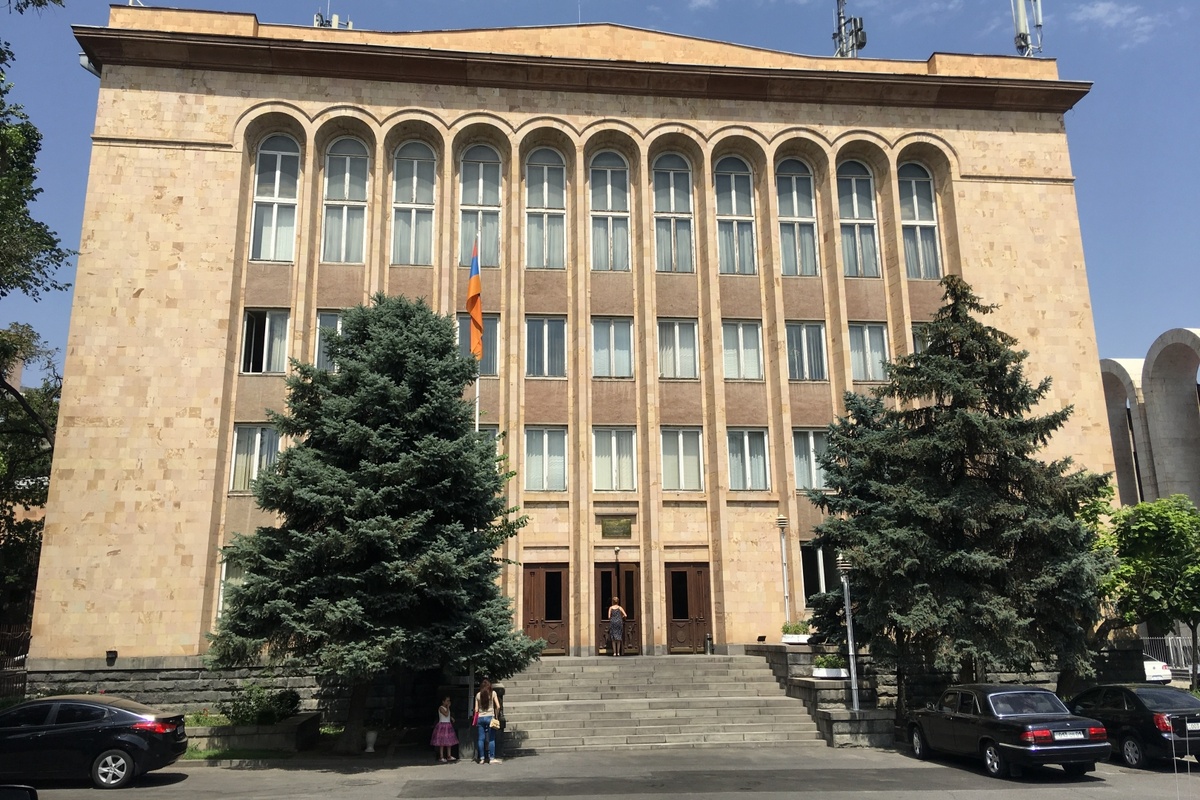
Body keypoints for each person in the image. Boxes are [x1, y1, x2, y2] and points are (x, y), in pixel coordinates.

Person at [473, 677, 503, 764]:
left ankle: (482, 758)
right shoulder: (493, 693)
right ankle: (492, 758)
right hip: (490, 717)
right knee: (491, 738)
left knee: (480, 739)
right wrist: (496, 715)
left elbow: (476, 709)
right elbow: (498, 706)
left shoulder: (478, 695)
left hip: (480, 718)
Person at [430, 695, 458, 763]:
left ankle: (449, 755)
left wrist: (451, 718)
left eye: (449, 701)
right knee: (441, 742)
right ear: (443, 701)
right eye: (447, 701)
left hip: (448, 724)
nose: (448, 702)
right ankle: (441, 756)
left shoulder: (447, 708)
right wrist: (448, 707)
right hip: (442, 725)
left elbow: (448, 715)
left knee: (449, 741)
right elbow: (446, 714)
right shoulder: (441, 708)